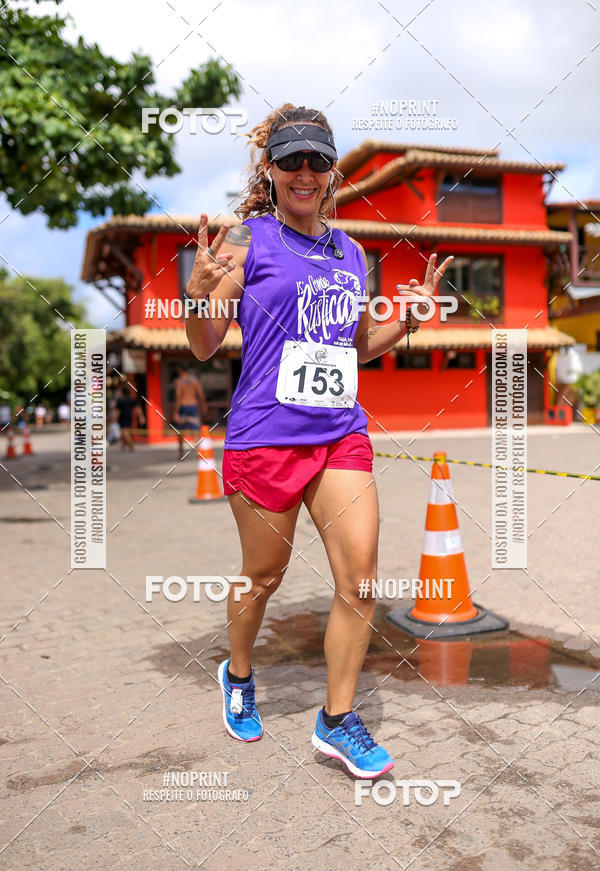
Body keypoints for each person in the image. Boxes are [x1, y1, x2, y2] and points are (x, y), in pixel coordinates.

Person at [185, 103, 453, 779]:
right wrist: (198, 297)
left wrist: (411, 323)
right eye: (290, 160)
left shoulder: (351, 250)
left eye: (317, 161)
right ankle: (239, 674)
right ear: (269, 170)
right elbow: (206, 343)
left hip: (339, 435)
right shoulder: (246, 241)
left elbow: (355, 343)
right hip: (264, 439)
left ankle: (336, 720)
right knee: (263, 578)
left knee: (360, 581)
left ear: (332, 173)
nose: (304, 173)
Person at [173, 363, 208, 431]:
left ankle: (183, 442)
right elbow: (201, 395)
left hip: (183, 406)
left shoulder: (179, 381)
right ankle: (196, 442)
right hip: (193, 406)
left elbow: (178, 397)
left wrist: (175, 412)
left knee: (181, 430)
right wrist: (204, 406)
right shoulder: (195, 380)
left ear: (180, 370)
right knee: (195, 429)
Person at [113, 384, 145, 451]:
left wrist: (114, 419)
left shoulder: (120, 401)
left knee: (125, 432)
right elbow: (138, 409)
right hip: (129, 418)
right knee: (125, 432)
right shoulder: (131, 400)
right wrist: (141, 417)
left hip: (122, 418)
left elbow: (117, 411)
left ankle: (131, 446)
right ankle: (123, 446)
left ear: (122, 392)